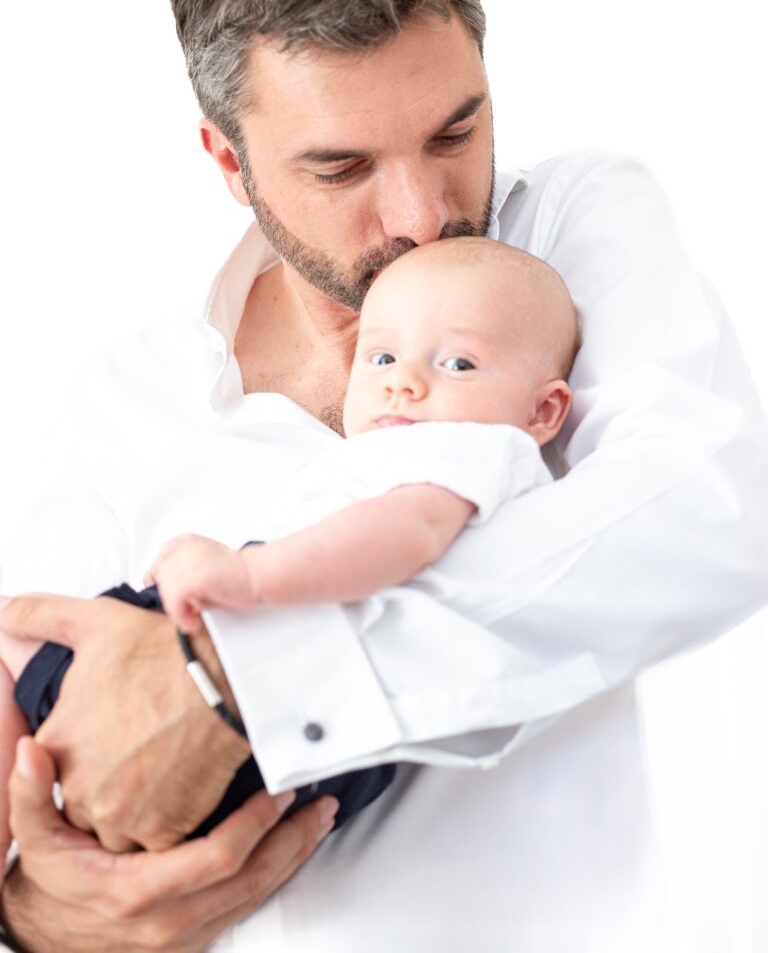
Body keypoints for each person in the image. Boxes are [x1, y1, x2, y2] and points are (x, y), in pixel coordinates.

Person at [0, 0, 767, 953]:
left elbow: (707, 512)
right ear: (229, 160)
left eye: (456, 132)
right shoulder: (127, 400)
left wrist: (235, 679)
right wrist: (38, 916)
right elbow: (46, 761)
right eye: (342, 166)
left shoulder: (569, 239)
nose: (424, 216)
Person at [0, 238, 575, 872]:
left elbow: (399, 537)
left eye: (459, 365)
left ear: (542, 410)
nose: (404, 383)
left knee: (16, 640)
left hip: (278, 711)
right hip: (281, 715)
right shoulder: (397, 454)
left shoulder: (470, 450)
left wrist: (246, 574)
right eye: (381, 356)